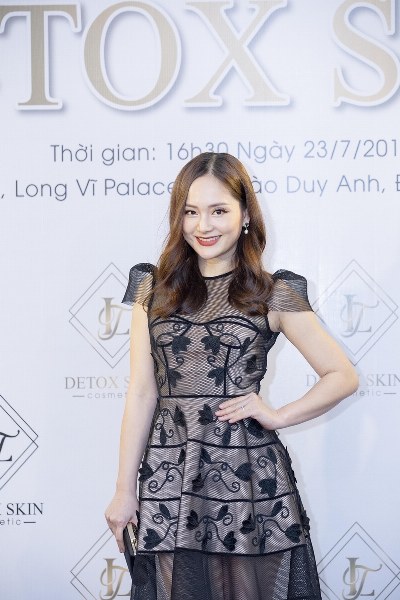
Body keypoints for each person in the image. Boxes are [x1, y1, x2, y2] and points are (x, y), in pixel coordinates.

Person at [105, 152, 358, 600]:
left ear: (245, 216)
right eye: (191, 212)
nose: (203, 225)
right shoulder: (152, 289)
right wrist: (124, 490)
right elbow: (142, 393)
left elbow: (341, 375)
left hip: (245, 475)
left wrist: (278, 415)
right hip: (170, 473)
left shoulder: (273, 293)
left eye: (219, 210)